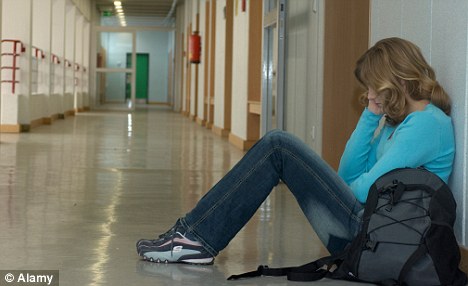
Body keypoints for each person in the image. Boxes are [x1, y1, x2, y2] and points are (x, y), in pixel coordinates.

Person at [136, 37, 455, 265]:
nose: (368, 93)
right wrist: (372, 114)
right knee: (277, 146)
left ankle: (194, 238)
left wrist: (340, 185)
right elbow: (348, 175)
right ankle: (194, 236)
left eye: (372, 86)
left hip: (379, 239)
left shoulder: (427, 124)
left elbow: (364, 192)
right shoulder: (397, 123)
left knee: (278, 144)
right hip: (371, 235)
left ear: (392, 81)